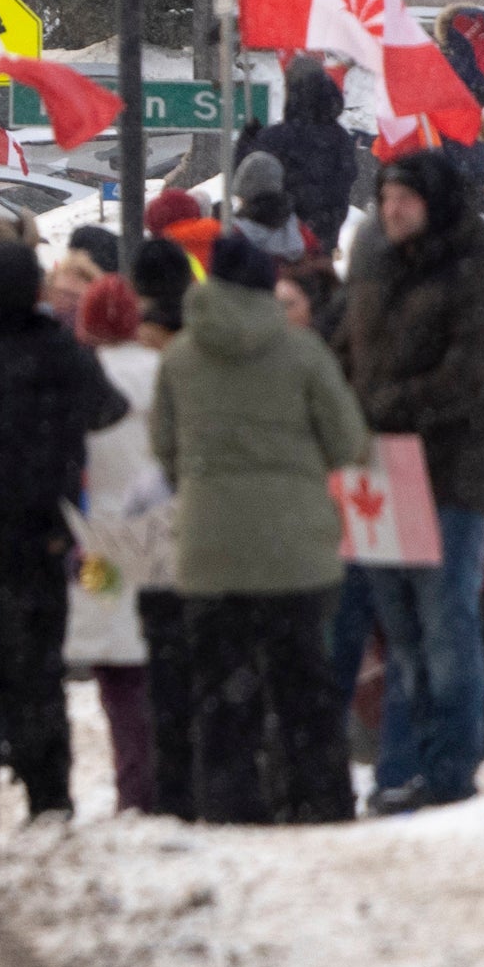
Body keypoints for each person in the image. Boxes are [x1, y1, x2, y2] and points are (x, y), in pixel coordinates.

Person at [334, 144, 484, 809]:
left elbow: (474, 374)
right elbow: (349, 345)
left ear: (434, 202)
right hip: (384, 469)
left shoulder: (477, 265)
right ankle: (408, 767)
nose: (391, 211)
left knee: (445, 622)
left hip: (451, 471)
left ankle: (450, 769)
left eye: (405, 200)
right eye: (385, 200)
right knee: (403, 630)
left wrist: (385, 405)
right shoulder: (379, 263)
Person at [151, 227, 366, 824]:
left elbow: (164, 451)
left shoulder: (179, 357)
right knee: (304, 687)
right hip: (296, 551)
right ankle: (317, 799)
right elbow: (349, 444)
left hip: (207, 550)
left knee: (221, 691)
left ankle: (229, 804)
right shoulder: (303, 352)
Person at [0, 241, 130, 829]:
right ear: (39, 291)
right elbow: (108, 409)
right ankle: (48, 797)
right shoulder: (62, 352)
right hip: (45, 534)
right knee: (38, 669)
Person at [66, 271, 180, 815]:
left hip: (97, 540)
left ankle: (132, 782)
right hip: (164, 529)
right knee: (160, 653)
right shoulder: (165, 374)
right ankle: (165, 780)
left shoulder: (79, 380)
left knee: (115, 666)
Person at [239, 57, 365, 251]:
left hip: (279, 244)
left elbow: (248, 183)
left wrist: (247, 143)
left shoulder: (277, 138)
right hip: (324, 241)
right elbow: (345, 181)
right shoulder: (340, 137)